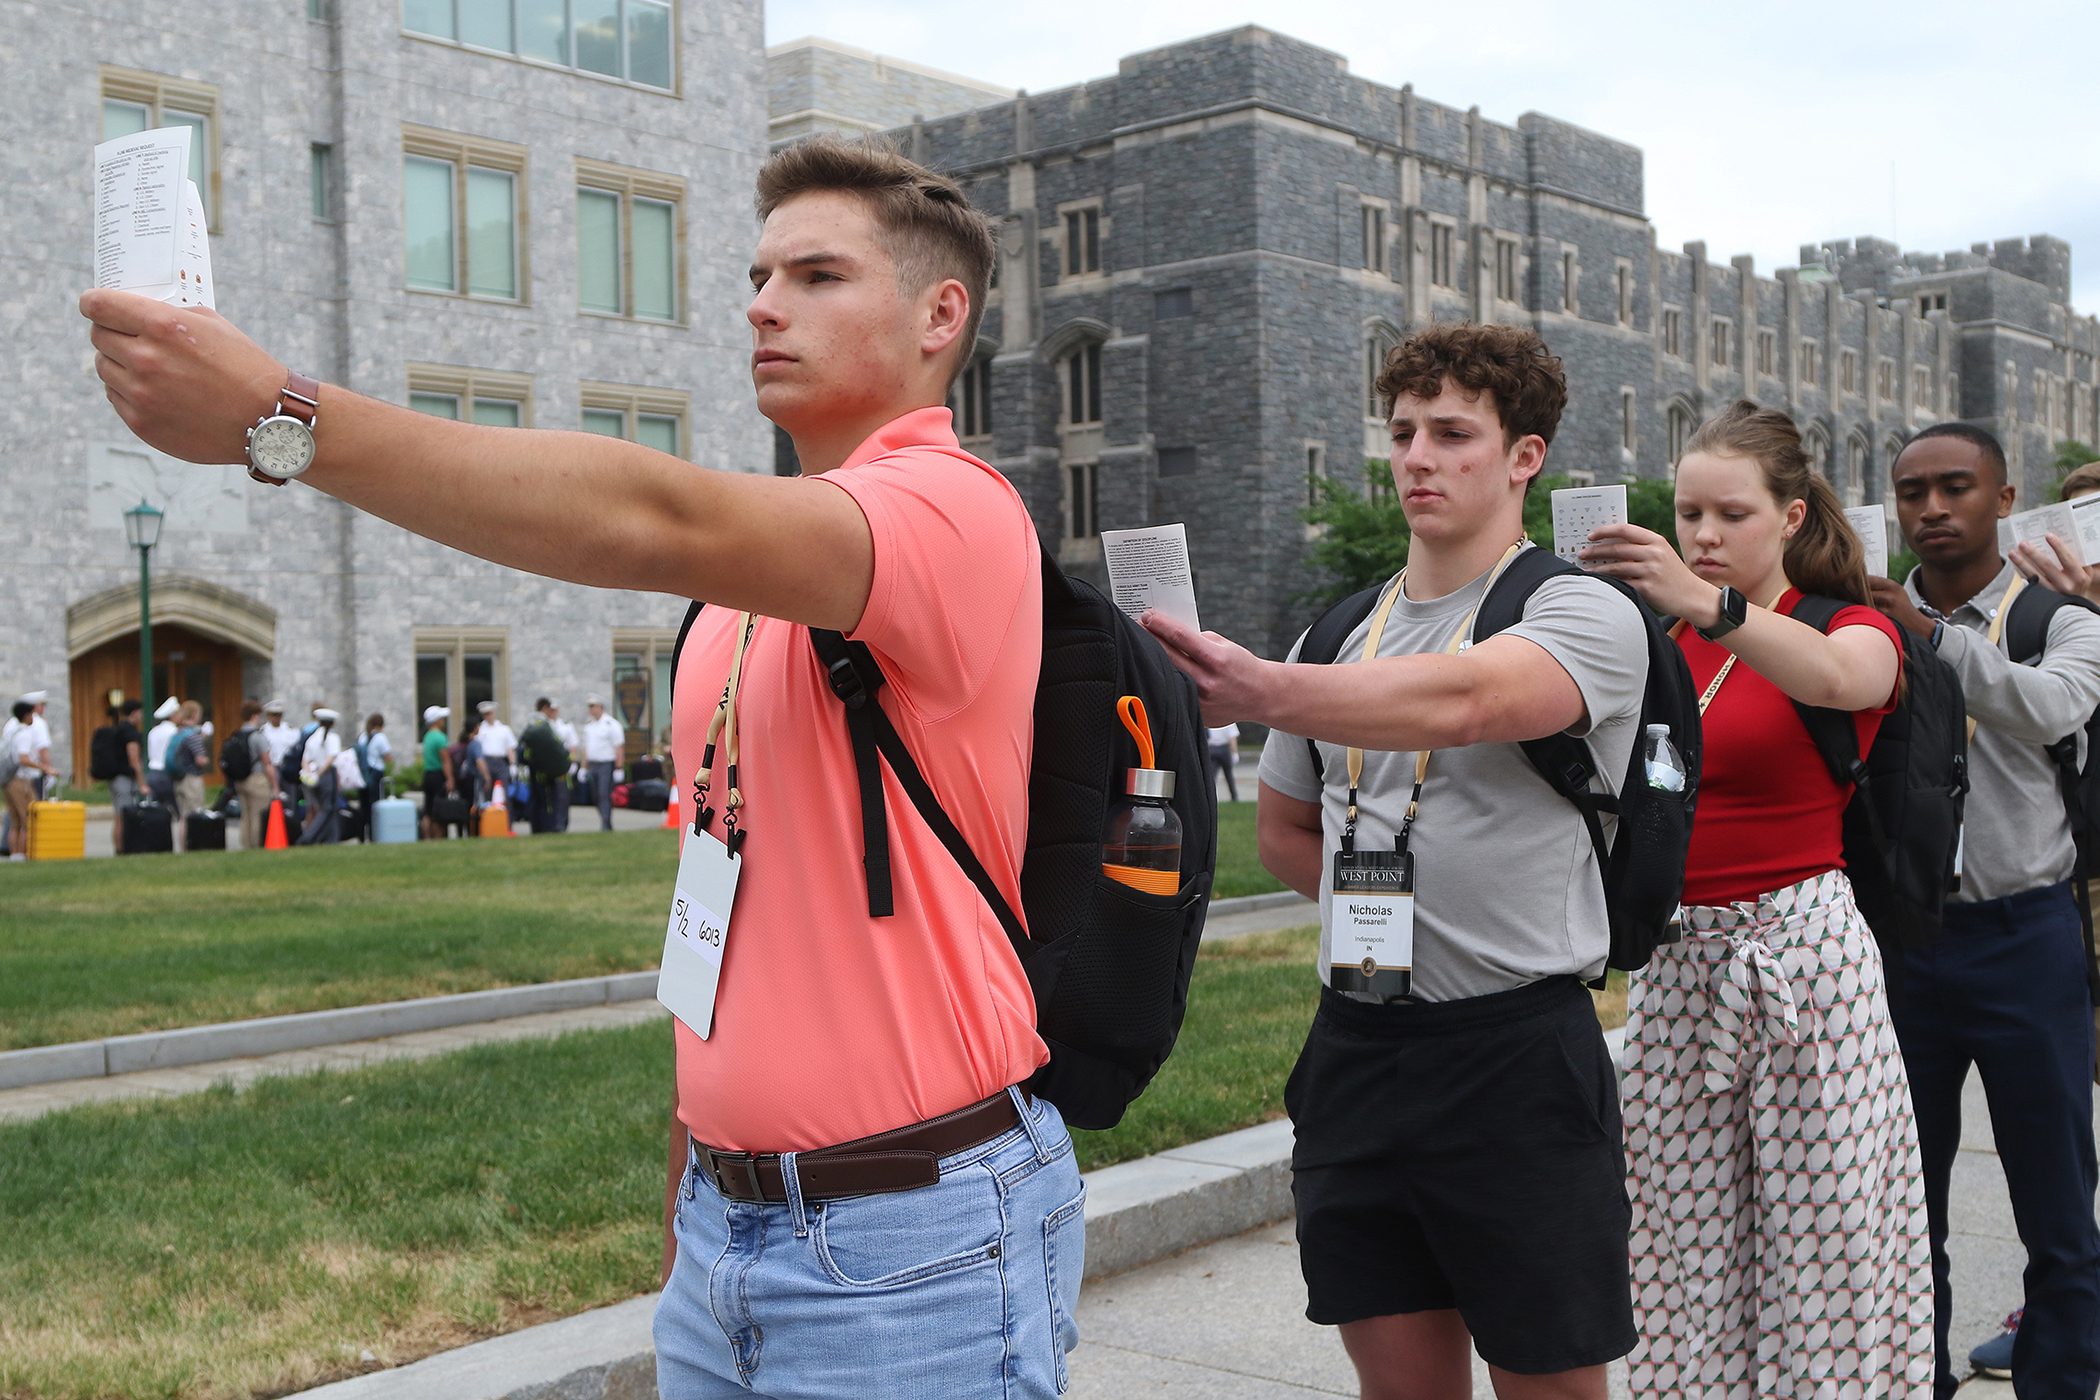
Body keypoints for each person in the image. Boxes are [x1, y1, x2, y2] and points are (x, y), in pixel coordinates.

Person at [85, 135, 1081, 1400]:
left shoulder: (955, 507)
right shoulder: (739, 603)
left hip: (915, 1233)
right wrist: (699, 1178)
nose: (763, 303)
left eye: (818, 275)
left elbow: (647, 516)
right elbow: (725, 911)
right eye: (759, 272)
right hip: (735, 1226)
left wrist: (281, 418)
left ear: (944, 315)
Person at [1143, 322, 1646, 1400]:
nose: (1417, 455)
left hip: (1516, 1053)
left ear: (1525, 456)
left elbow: (1473, 699)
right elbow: (1283, 828)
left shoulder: (1580, 608)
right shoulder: (1340, 632)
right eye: (1405, 429)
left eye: (1454, 432)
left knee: (1550, 1379)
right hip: (1357, 1048)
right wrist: (1393, 920)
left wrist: (1262, 686)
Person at [1578, 400, 1930, 1397]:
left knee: (1829, 1244)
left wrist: (1713, 605)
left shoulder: (1846, 621)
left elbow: (1839, 679)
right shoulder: (1658, 643)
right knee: (1679, 1240)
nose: (1702, 533)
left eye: (1730, 512)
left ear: (1790, 515)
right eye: (1688, 511)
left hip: (1802, 957)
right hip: (1681, 963)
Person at [1867, 422, 2100, 1398]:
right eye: (1912, 491)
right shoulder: (1864, 622)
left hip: (2026, 933)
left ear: (2005, 499)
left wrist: (1935, 643)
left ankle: (2061, 1376)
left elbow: (2049, 708)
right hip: (1907, 940)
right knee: (1901, 1203)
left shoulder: (2065, 619)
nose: (1931, 509)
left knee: (2055, 1197)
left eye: (1955, 487)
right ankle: (1916, 1377)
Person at [5, 700, 56, 859]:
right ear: (27, 715)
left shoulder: (11, 732)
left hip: (8, 780)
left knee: (15, 821)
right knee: (28, 818)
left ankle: (15, 854)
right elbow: (23, 758)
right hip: (21, 780)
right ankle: (23, 853)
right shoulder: (25, 733)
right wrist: (45, 768)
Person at [229, 699, 276, 851]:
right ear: (255, 716)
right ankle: (256, 845)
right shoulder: (258, 736)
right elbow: (267, 762)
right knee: (257, 815)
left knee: (245, 815)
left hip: (240, 780)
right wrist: (275, 785)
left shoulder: (237, 735)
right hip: (257, 779)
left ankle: (246, 845)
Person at [165, 701, 209, 845]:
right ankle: (193, 844)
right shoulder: (193, 736)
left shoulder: (177, 733)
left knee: (183, 816)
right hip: (192, 778)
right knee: (194, 813)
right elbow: (199, 759)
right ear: (195, 715)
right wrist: (207, 760)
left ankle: (183, 845)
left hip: (178, 778)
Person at [296, 709, 343, 845]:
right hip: (326, 775)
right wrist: (318, 774)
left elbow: (304, 760)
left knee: (332, 808)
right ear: (332, 724)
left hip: (313, 775)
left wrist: (309, 774)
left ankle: (332, 839)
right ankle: (307, 838)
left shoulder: (312, 738)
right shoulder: (332, 738)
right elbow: (330, 759)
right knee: (326, 808)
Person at [106, 698, 145, 854]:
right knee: (123, 817)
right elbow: (134, 760)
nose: (142, 717)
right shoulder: (130, 732)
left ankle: (119, 848)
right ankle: (123, 849)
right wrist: (142, 783)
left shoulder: (118, 729)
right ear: (134, 713)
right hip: (125, 779)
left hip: (114, 779)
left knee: (118, 816)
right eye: (141, 713)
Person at [579, 696, 622, 832]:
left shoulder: (611, 724)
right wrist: (583, 767)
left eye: (593, 706)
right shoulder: (590, 726)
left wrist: (619, 767)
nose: (591, 709)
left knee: (604, 794)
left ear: (600, 707)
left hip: (606, 764)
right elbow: (586, 748)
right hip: (593, 764)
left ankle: (606, 824)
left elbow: (619, 747)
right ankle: (605, 821)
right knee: (595, 795)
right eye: (590, 707)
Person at [418, 705, 453, 840]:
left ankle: (427, 837)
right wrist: (450, 779)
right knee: (439, 809)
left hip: (428, 774)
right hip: (438, 775)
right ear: (436, 720)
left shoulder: (427, 736)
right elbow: (445, 760)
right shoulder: (440, 737)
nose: (443, 721)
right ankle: (438, 836)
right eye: (441, 718)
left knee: (428, 809)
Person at [355, 713, 391, 837]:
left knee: (363, 805)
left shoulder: (362, 737)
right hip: (375, 773)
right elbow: (388, 757)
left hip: (362, 774)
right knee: (374, 805)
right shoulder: (380, 737)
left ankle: (361, 834)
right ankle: (374, 834)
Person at [142, 695, 180, 809]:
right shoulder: (174, 732)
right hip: (167, 774)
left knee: (156, 810)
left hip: (153, 774)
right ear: (173, 715)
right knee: (175, 809)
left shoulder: (153, 731)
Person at [475, 700, 516, 793]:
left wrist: (513, 765)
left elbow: (510, 748)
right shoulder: (480, 729)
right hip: (486, 762)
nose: (487, 716)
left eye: (489, 713)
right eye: (484, 714)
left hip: (501, 762)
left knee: (503, 791)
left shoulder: (504, 729)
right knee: (487, 791)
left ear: (494, 713)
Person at [1206, 721, 1241, 801]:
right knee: (1229, 775)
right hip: (1224, 749)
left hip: (1212, 748)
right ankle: (1234, 796)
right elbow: (1232, 738)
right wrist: (1235, 752)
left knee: (1212, 776)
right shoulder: (1229, 721)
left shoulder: (1211, 719)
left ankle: (1210, 797)